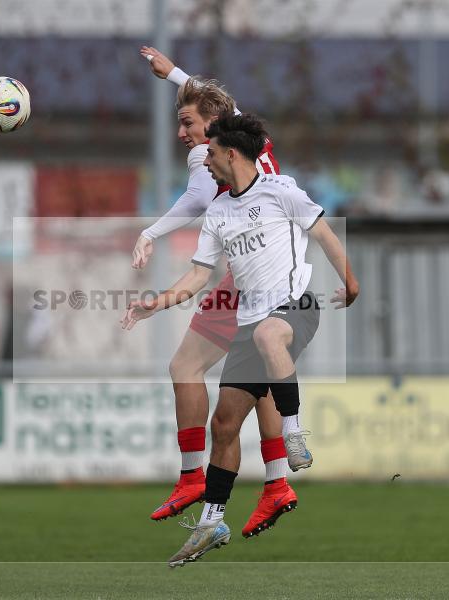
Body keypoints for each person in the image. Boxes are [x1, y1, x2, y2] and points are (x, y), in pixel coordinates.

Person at [121, 114, 359, 566]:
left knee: (272, 335)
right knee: (224, 425)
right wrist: (158, 302)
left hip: (295, 307)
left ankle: (293, 435)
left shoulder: (280, 189)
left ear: (230, 153)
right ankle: (212, 521)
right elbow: (198, 276)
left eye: (208, 153)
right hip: (248, 327)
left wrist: (350, 283)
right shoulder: (219, 212)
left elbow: (325, 234)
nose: (203, 161)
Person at [131, 47, 304, 526]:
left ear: (212, 126)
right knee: (260, 375)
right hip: (275, 272)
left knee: (186, 365)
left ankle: (194, 477)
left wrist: (149, 233)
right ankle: (275, 482)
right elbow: (223, 107)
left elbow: (194, 202)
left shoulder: (209, 158)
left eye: (187, 123)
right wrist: (176, 76)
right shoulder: (256, 140)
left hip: (253, 274)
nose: (182, 134)